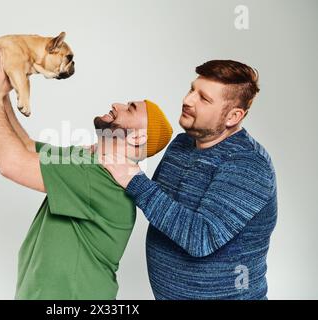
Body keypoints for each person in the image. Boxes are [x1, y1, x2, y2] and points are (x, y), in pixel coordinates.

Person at [0, 48, 173, 299]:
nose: (117, 104)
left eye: (131, 109)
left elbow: (10, 163)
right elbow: (25, 146)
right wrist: (2, 94)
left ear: (139, 137)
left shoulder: (100, 178)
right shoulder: (87, 160)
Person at [103, 60, 277, 300]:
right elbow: (159, 206)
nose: (188, 100)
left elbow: (200, 238)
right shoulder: (182, 144)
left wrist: (133, 177)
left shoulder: (248, 164)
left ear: (233, 116)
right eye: (192, 89)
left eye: (204, 98)